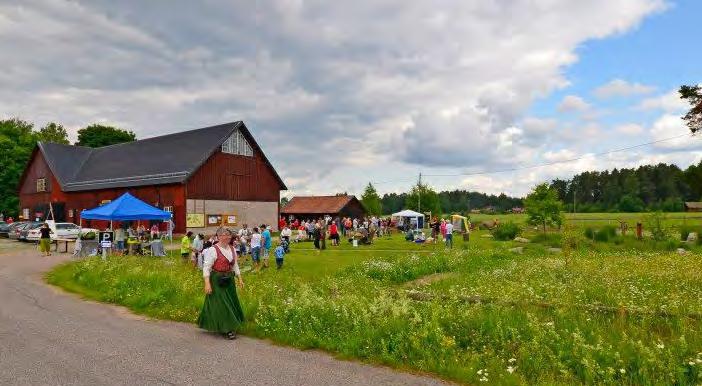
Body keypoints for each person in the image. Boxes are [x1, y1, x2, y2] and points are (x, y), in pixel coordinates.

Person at [197, 227, 244, 340]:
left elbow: (235, 265)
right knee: (223, 303)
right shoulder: (212, 250)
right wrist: (207, 283)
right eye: (225, 234)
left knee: (230, 301)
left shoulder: (232, 249)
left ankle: (223, 323)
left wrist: (240, 279)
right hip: (217, 279)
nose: (228, 236)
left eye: (229, 234)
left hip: (229, 279)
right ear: (219, 236)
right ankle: (228, 329)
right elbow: (206, 267)